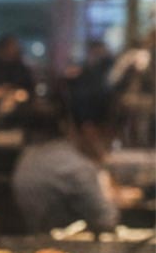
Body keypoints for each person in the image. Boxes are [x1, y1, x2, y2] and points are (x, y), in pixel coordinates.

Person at [11, 92, 119, 235]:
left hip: (34, 239)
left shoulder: (27, 156)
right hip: (68, 245)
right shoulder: (76, 166)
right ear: (89, 130)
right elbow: (106, 220)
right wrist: (103, 177)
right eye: (109, 134)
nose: (109, 143)